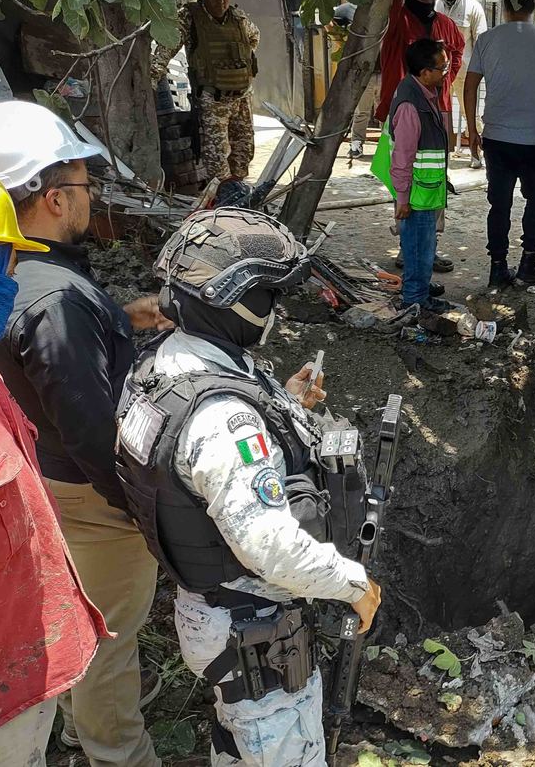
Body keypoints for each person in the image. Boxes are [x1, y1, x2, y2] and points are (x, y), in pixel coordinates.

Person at [114, 207, 382, 766]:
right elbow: (269, 546)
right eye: (269, 295)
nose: (275, 309)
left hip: (213, 612)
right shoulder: (222, 418)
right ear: (232, 298)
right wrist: (354, 585)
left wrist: (283, 408)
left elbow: (196, 470)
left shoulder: (165, 366)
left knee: (236, 741)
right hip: (255, 631)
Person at [0, 100, 166, 767]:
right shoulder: (56, 300)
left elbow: (37, 355)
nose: (92, 196)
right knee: (106, 641)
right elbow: (91, 428)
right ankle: (117, 752)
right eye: (85, 184)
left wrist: (118, 318)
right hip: (91, 498)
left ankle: (79, 725)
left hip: (49, 475)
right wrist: (142, 507)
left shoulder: (22, 273)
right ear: (54, 197)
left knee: (76, 617)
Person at [0, 180, 109, 767]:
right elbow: (88, 429)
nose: (12, 273)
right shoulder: (55, 303)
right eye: (3, 258)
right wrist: (131, 500)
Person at [465, 0, 535, 288]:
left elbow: (470, 86)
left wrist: (472, 130)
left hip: (497, 138)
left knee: (499, 204)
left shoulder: (487, 40)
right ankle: (528, 263)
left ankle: (497, 267)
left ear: (504, 5)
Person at [377, 0, 466, 275]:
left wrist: (444, 79)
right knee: (403, 172)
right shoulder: (397, 22)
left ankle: (429, 247)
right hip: (406, 108)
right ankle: (408, 247)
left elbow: (457, 51)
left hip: (437, 108)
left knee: (435, 176)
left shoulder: (444, 24)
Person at [152, 0, 261, 183]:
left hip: (241, 98)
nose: (220, 0)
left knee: (243, 153)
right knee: (217, 160)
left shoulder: (239, 18)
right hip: (213, 99)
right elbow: (166, 49)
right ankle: (222, 196)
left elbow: (254, 38)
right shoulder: (189, 17)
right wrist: (152, 80)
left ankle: (238, 192)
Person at [372, 39, 453, 315]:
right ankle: (416, 300)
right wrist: (403, 199)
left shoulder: (420, 92)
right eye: (442, 68)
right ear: (425, 72)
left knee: (422, 245)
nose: (446, 72)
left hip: (423, 189)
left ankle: (418, 288)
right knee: (419, 247)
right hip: (416, 193)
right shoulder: (411, 104)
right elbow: (403, 157)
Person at [436, 0, 488, 169]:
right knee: (440, 112)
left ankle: (476, 153)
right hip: (439, 69)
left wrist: (480, 70)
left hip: (465, 69)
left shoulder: (473, 7)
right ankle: (442, 154)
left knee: (470, 113)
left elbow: (481, 40)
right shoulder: (436, 5)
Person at [329, 2, 381, 160]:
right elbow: (326, 20)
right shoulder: (348, 9)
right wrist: (341, 42)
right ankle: (356, 143)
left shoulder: (385, 8)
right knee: (361, 111)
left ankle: (386, 146)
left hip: (385, 68)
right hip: (363, 70)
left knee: (385, 111)